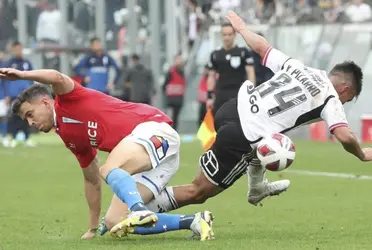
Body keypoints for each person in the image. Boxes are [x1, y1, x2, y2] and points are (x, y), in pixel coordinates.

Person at [108, 11, 372, 236]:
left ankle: (256, 188)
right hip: (242, 136)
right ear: (346, 88)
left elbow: (261, 48)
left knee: (265, 144)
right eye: (349, 99)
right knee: (200, 190)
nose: (346, 103)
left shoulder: (300, 68)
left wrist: (242, 27)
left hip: (232, 108)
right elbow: (344, 135)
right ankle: (135, 214)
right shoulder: (330, 98)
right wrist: (361, 154)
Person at [0, 67, 214, 240]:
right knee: (115, 222)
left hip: (153, 128)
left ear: (45, 103)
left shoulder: (68, 98)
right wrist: (93, 228)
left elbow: (55, 76)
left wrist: (23, 75)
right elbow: (91, 180)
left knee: (110, 168)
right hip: (158, 157)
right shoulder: (69, 136)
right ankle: (194, 221)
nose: (30, 123)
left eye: (30, 114)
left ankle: (139, 209)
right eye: (26, 120)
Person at [207, 23, 256, 116]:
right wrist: (209, 96)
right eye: (224, 35)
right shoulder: (215, 54)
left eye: (229, 34)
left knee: (238, 121)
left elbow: (251, 73)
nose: (227, 37)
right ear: (221, 35)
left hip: (238, 93)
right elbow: (211, 76)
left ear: (234, 35)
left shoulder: (243, 52)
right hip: (221, 93)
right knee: (220, 122)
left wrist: (251, 92)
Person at [2, 41, 35, 148]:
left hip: (26, 94)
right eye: (16, 49)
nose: (18, 51)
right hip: (13, 95)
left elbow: (32, 78)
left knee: (27, 116)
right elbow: (5, 80)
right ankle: (14, 138)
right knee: (14, 117)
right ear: (13, 50)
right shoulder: (9, 63)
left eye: (20, 49)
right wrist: (6, 94)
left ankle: (27, 138)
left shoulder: (27, 63)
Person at [163, 54, 186, 131]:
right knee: (169, 116)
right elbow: (165, 84)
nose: (179, 62)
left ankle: (174, 131)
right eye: (178, 60)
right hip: (171, 99)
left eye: (180, 60)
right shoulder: (171, 72)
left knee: (176, 117)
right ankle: (167, 130)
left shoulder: (182, 72)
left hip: (179, 99)